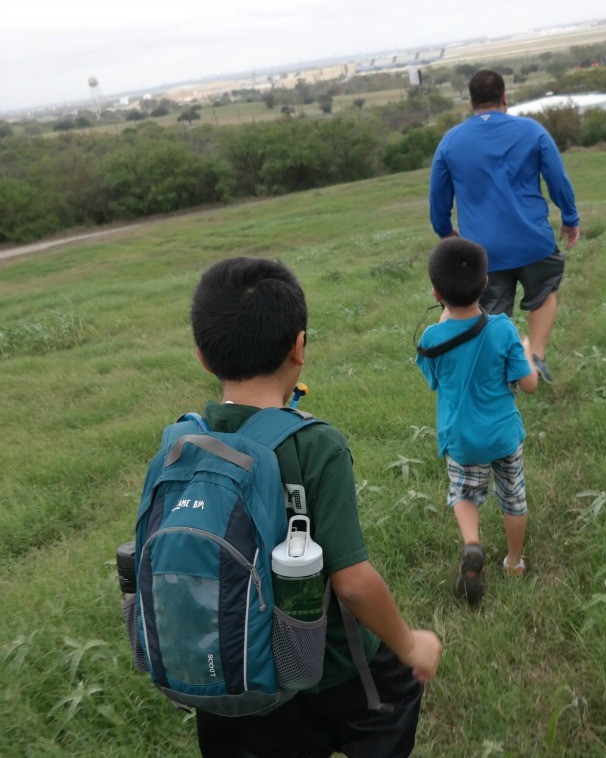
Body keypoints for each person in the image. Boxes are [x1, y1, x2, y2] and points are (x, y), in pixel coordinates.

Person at [188, 257, 441, 757]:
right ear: (299, 347)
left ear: (202, 355)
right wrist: (410, 645)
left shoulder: (185, 443)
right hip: (331, 669)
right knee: (396, 696)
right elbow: (351, 582)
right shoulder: (314, 445)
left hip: (227, 669)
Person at [428, 68, 580, 384]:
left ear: (470, 101)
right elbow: (557, 178)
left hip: (482, 253)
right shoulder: (532, 131)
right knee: (543, 292)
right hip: (533, 241)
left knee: (491, 313)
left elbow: (438, 196)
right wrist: (569, 218)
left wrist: (445, 231)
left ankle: (501, 372)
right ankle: (535, 357)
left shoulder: (451, 141)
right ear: (504, 98)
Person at [415, 238, 539, 605]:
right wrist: (528, 353)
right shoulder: (502, 330)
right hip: (503, 434)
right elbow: (529, 385)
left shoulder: (432, 339)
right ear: (486, 282)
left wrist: (443, 320)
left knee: (465, 494)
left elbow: (435, 381)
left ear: (436, 292)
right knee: (513, 497)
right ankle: (514, 562)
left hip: (463, 439)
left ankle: (472, 544)